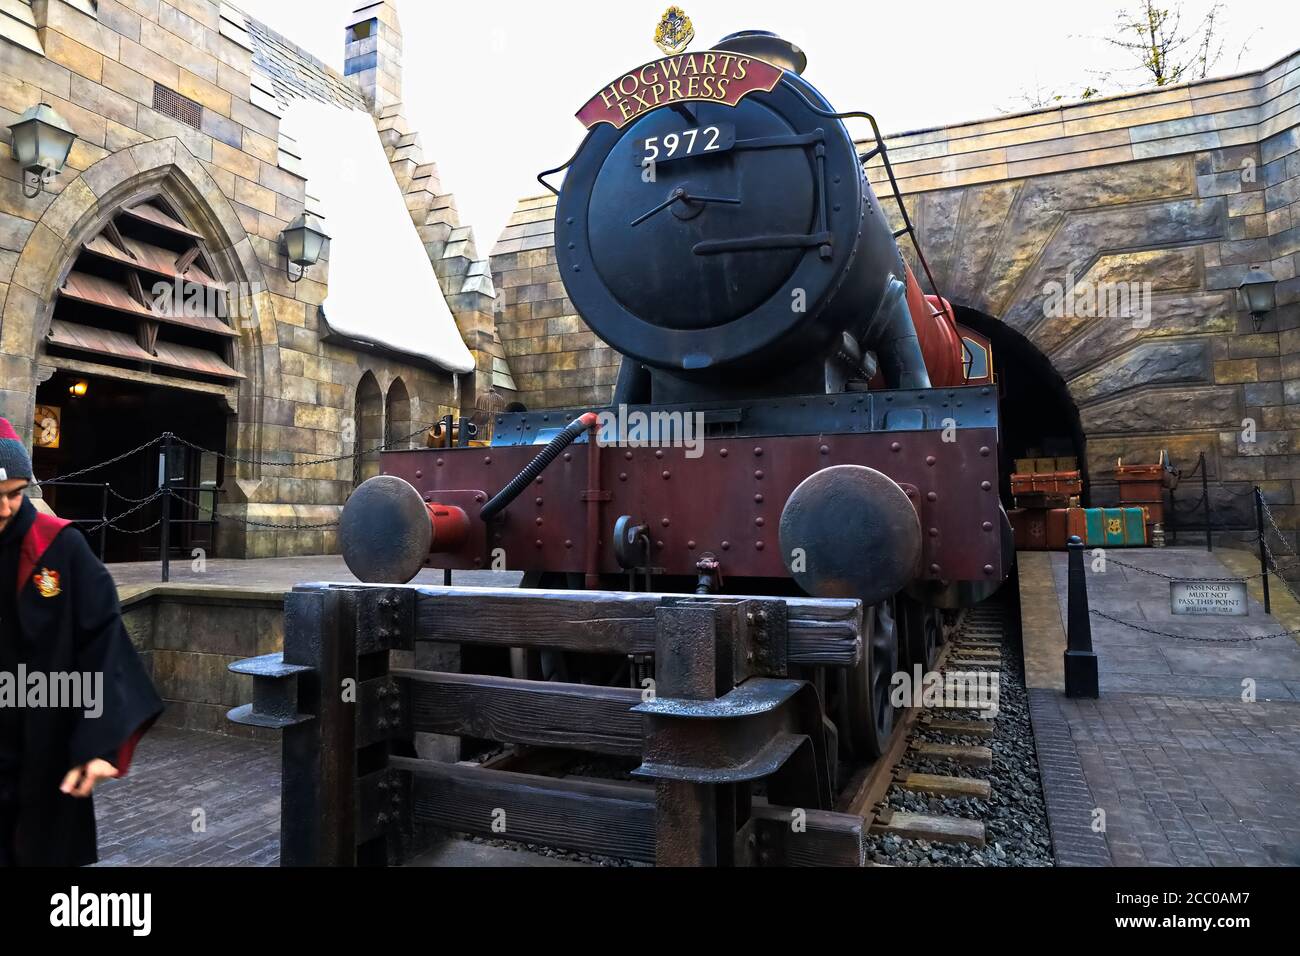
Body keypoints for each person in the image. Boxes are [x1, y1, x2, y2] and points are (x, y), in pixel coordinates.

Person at [0, 416, 163, 866]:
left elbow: (103, 640)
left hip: (45, 749)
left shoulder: (60, 548)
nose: (5, 509)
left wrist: (101, 743)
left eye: (14, 494)